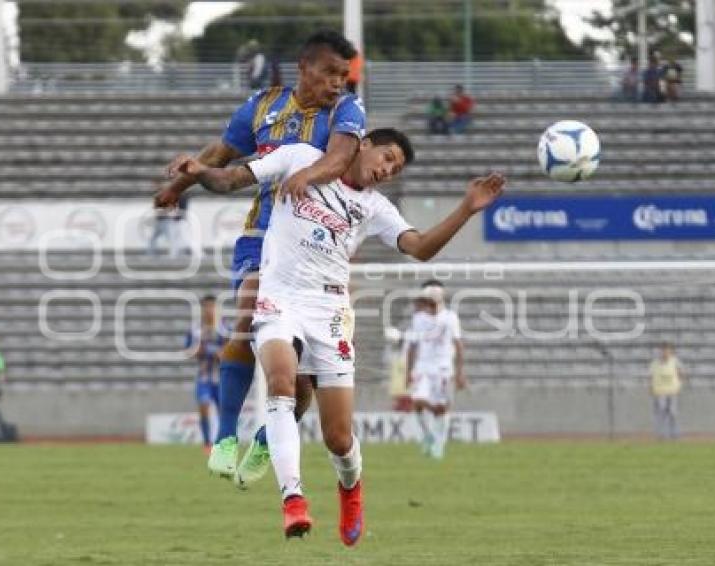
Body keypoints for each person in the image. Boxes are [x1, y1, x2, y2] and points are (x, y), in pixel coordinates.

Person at [171, 127, 505, 544]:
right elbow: (232, 179)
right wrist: (200, 170)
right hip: (279, 297)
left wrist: (467, 208)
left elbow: (418, 247)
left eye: (396, 169)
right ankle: (293, 501)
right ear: (363, 144)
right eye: (386, 158)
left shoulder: (375, 207)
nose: (387, 170)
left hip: (329, 312)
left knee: (338, 437)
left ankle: (350, 488)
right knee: (279, 382)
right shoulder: (297, 157)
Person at [155, 30, 366, 484]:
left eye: (343, 75)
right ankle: (226, 436)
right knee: (247, 320)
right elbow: (222, 153)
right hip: (263, 233)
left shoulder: (347, 110)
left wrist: (308, 174)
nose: (337, 83)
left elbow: (341, 156)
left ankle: (269, 440)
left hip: (316, 247)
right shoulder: (263, 105)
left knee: (302, 372)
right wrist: (181, 182)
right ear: (303, 68)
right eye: (330, 73)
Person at [406, 281, 466, 459]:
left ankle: (438, 446)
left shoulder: (450, 318)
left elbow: (459, 345)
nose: (428, 303)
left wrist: (460, 372)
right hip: (422, 368)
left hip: (443, 368)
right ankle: (427, 437)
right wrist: (408, 371)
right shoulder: (418, 318)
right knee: (417, 400)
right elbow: (412, 346)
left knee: (441, 408)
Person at [185, 295, 228, 452]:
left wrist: (222, 354)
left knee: (223, 410)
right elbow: (188, 351)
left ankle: (223, 442)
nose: (209, 310)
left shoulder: (223, 328)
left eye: (212, 307)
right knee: (203, 404)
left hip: (221, 378)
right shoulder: (196, 329)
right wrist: (197, 351)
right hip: (204, 377)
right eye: (206, 307)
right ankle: (207, 443)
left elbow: (231, 350)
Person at [650, 342, 686, 440]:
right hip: (660, 391)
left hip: (672, 391)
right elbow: (652, 376)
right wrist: (651, 388)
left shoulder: (675, 362)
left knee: (673, 413)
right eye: (663, 350)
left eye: (667, 350)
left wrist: (679, 385)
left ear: (670, 351)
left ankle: (675, 434)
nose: (665, 352)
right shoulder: (655, 363)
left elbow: (681, 374)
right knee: (661, 413)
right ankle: (662, 435)